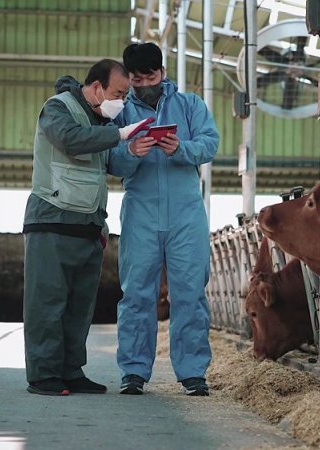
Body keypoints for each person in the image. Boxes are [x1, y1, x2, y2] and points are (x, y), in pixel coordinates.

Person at [22, 59, 151, 396]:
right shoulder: (57, 109)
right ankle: (43, 375)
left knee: (79, 308)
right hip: (52, 220)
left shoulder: (98, 119)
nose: (121, 102)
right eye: (118, 94)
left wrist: (133, 150)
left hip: (88, 226)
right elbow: (69, 140)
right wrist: (120, 134)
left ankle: (71, 370)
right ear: (97, 88)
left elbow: (110, 165)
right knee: (47, 303)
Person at [109, 42, 219, 396]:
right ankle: (134, 372)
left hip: (186, 212)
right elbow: (109, 161)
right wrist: (130, 152)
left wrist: (181, 149)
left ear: (163, 73)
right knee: (136, 293)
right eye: (137, 79)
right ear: (129, 78)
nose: (144, 84)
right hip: (141, 209)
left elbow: (211, 143)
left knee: (189, 291)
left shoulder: (190, 105)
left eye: (150, 76)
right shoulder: (121, 112)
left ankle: (192, 373)